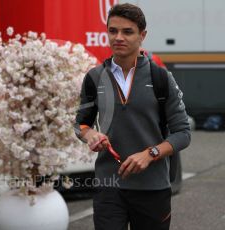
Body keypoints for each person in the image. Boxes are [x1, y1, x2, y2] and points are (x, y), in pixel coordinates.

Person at [74, 3, 191, 230]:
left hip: (152, 188)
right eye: (113, 31)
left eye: (127, 32)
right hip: (108, 187)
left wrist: (150, 154)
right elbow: (81, 123)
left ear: (142, 35)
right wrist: (89, 135)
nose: (118, 37)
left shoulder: (161, 78)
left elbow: (183, 133)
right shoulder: (94, 77)